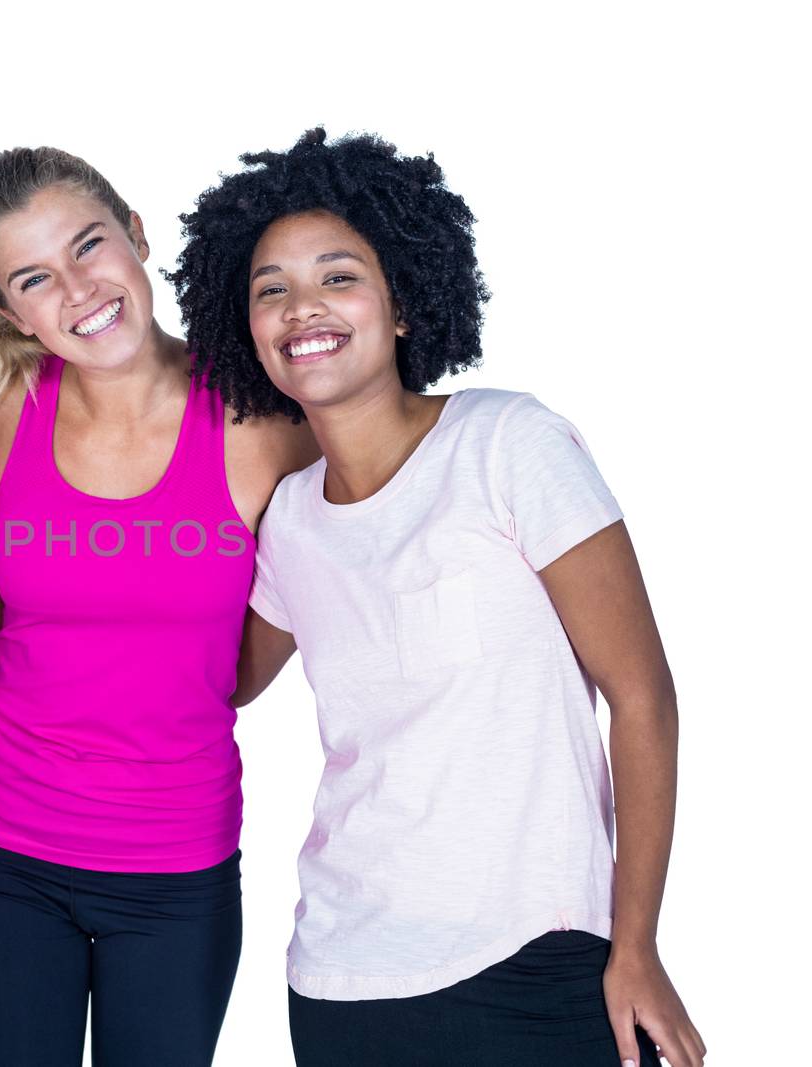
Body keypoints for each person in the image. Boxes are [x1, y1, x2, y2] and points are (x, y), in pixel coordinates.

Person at [170, 127, 707, 1067]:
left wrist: (636, 947)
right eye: (270, 290)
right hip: (342, 981)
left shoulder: (508, 445)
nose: (303, 309)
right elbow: (214, 679)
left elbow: (642, 696)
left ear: (404, 303)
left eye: (338, 277)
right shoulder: (290, 518)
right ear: (244, 329)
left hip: (534, 960)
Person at [0, 147, 318, 1066]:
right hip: (5, 852)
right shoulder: (4, 410)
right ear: (10, 310)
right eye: (35, 277)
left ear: (137, 236)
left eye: (89, 246)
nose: (77, 290)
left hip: (175, 867)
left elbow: (282, 629)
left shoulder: (265, 427)